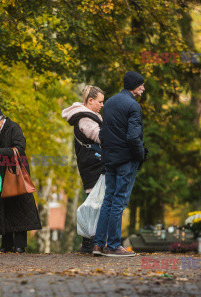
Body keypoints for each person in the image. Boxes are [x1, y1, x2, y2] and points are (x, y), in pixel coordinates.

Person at [93, 71, 148, 257]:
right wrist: (140, 155)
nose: (143, 88)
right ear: (134, 86)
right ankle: (114, 245)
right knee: (118, 201)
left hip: (110, 159)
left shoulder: (109, 103)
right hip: (126, 160)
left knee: (108, 199)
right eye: (141, 85)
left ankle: (98, 245)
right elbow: (133, 136)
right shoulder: (133, 105)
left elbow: (102, 133)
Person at [0, 107, 41, 253]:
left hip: (15, 173)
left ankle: (19, 246)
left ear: (2, 118)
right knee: (2, 209)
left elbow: (20, 148)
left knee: (18, 208)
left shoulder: (14, 127)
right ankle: (6, 245)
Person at [62, 85, 105, 254]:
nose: (102, 105)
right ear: (90, 101)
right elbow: (100, 137)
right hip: (92, 164)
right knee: (94, 204)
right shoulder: (86, 119)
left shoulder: (89, 116)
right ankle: (89, 243)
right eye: (100, 102)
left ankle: (89, 243)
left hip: (91, 163)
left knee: (93, 203)